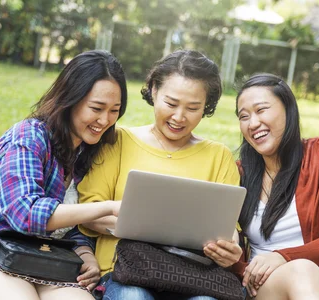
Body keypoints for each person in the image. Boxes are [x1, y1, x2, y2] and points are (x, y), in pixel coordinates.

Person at [0, 50, 129, 300]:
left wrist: (85, 254)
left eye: (114, 110)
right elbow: (25, 214)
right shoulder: (28, 136)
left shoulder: (88, 151)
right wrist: (107, 208)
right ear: (70, 99)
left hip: (46, 261)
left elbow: (70, 225)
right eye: (96, 108)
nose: (105, 120)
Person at [77, 50, 243, 300]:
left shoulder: (218, 156)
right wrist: (150, 229)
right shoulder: (118, 141)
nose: (179, 117)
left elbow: (229, 227)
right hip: (126, 272)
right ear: (154, 91)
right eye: (171, 103)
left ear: (206, 106)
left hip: (193, 277)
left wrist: (231, 248)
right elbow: (89, 212)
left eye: (193, 108)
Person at [232, 73, 319, 300]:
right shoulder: (239, 173)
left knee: (303, 270)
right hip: (263, 287)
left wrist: (282, 256)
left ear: (288, 109)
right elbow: (228, 248)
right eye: (244, 116)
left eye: (261, 110)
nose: (253, 123)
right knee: (301, 271)